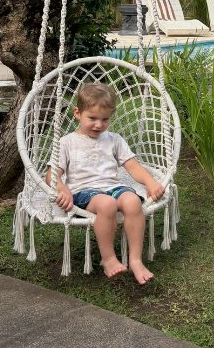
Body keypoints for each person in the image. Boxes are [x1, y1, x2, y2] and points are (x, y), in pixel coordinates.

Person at [47, 83, 165, 284]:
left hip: (113, 186)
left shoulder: (114, 139)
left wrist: (150, 182)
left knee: (132, 202)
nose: (99, 125)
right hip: (84, 192)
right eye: (92, 118)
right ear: (77, 113)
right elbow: (52, 175)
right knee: (107, 204)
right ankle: (108, 258)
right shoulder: (67, 142)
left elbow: (132, 165)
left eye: (105, 119)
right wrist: (62, 188)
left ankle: (135, 259)